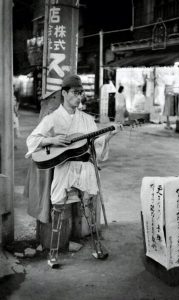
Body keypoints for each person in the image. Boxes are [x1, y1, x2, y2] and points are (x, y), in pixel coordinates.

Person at [25, 74, 121, 267]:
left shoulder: (86, 119)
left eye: (81, 93)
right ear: (64, 93)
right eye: (76, 93)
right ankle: (53, 254)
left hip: (85, 165)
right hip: (64, 167)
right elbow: (32, 140)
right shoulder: (53, 118)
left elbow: (97, 147)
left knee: (88, 205)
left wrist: (109, 136)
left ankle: (96, 247)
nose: (79, 97)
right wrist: (52, 140)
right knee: (58, 207)